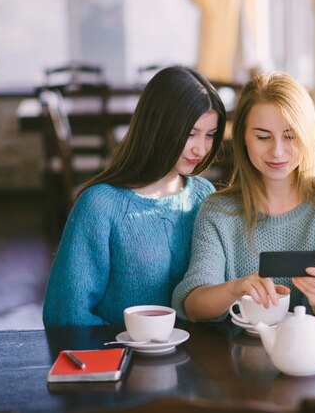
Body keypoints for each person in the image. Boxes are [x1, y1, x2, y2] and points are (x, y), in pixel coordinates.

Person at [43, 66, 226, 327]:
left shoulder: (203, 195)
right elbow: (66, 314)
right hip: (122, 359)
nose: (201, 148)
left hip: (196, 358)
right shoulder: (99, 206)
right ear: (158, 127)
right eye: (190, 134)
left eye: (210, 135)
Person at [172, 72, 315, 321]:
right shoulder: (218, 210)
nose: (277, 151)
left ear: (308, 136)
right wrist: (234, 288)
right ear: (243, 139)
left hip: (309, 352)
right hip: (237, 352)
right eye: (262, 137)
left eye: (290, 136)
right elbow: (194, 304)